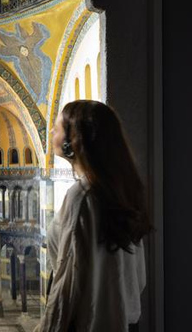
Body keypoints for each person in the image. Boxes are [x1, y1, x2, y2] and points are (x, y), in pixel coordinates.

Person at [37, 100, 151, 332]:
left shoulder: (83, 196)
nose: (51, 131)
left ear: (74, 141)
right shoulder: (122, 190)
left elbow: (68, 284)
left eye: (57, 128)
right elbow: (137, 279)